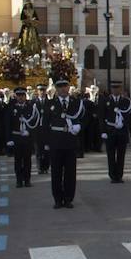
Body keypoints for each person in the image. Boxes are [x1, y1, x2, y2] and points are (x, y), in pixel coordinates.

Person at [43, 78, 84, 209]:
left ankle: (68, 198)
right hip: (55, 142)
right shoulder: (50, 103)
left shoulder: (76, 102)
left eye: (65, 86)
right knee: (56, 172)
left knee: (70, 173)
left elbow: (83, 118)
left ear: (68, 87)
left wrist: (79, 126)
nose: (62, 89)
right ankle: (57, 199)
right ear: (56, 89)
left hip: (70, 141)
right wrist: (46, 142)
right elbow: (45, 124)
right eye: (60, 87)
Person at [100, 81, 131, 183]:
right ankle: (112, 175)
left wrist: (126, 127)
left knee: (121, 155)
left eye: (117, 88)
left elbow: (130, 116)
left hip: (122, 132)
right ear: (111, 89)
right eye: (114, 88)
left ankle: (119, 175)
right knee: (110, 155)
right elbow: (101, 117)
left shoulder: (126, 101)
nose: (115, 90)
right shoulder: (106, 101)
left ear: (121, 89)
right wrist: (103, 131)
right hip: (110, 131)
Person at [8, 87, 40, 188]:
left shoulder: (31, 107)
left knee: (27, 160)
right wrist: (9, 139)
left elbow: (35, 122)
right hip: (17, 137)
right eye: (18, 95)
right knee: (17, 160)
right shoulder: (11, 108)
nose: (20, 97)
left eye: (22, 95)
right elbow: (8, 124)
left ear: (25, 96)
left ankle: (27, 180)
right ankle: (19, 180)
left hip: (27, 138)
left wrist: (29, 132)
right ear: (16, 96)